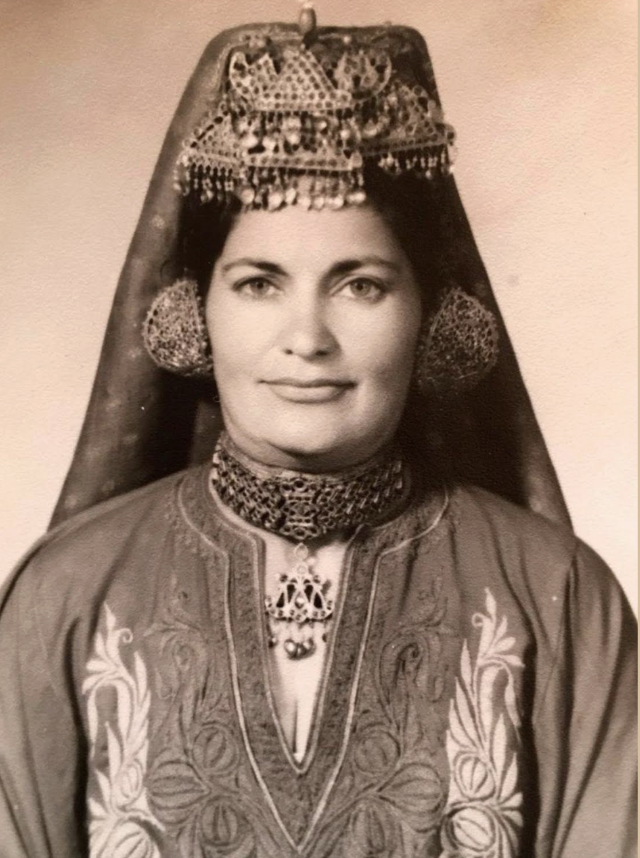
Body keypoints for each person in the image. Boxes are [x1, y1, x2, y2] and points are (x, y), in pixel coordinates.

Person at [0, 9, 635, 858]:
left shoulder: (560, 599)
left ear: (432, 312)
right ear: (194, 309)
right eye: (259, 283)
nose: (307, 337)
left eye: (360, 285)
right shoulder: (64, 596)